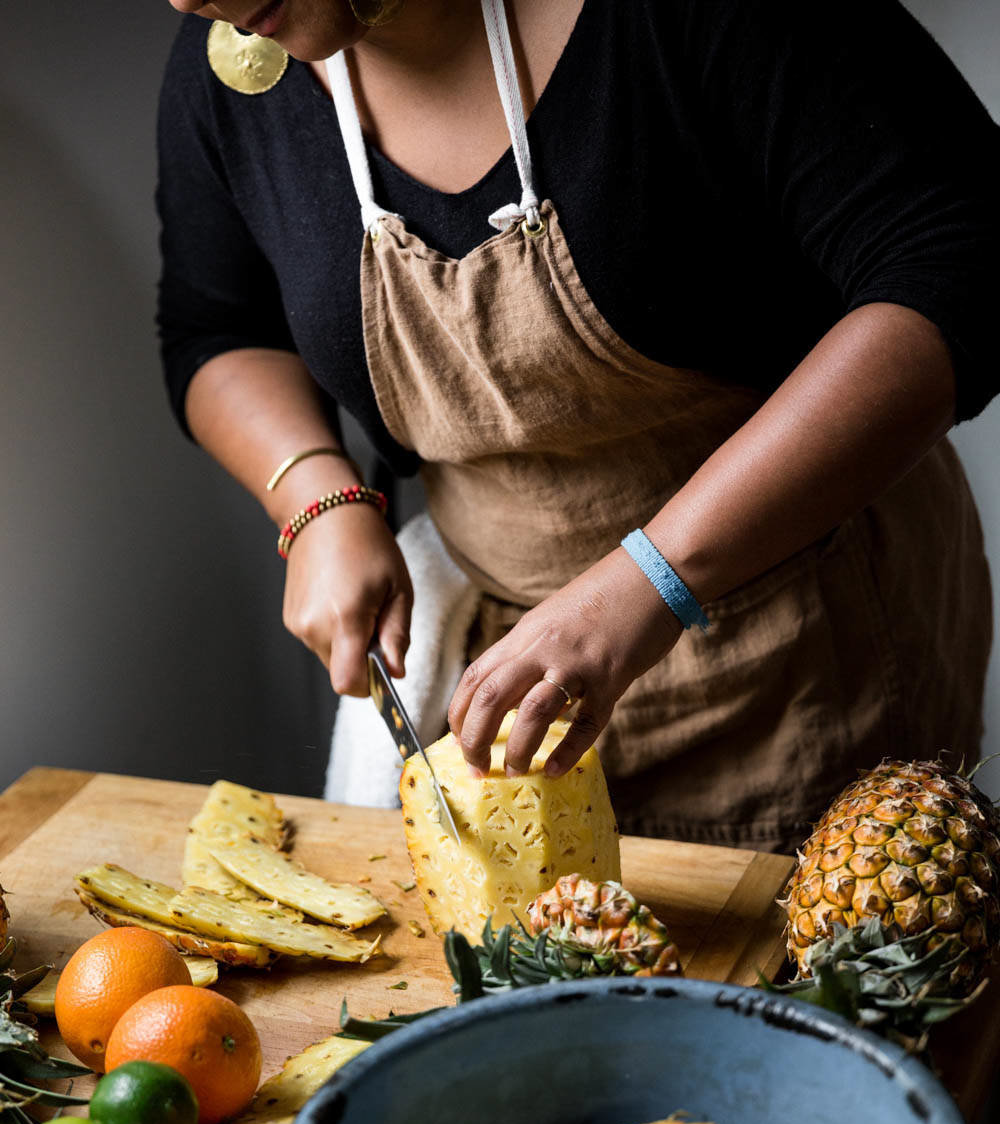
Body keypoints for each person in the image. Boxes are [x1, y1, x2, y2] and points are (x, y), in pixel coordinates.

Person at [157, 0, 999, 853]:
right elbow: (220, 329)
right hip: (502, 669)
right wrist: (316, 497)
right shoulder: (235, 41)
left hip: (799, 665)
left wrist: (652, 581)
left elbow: (961, 263)